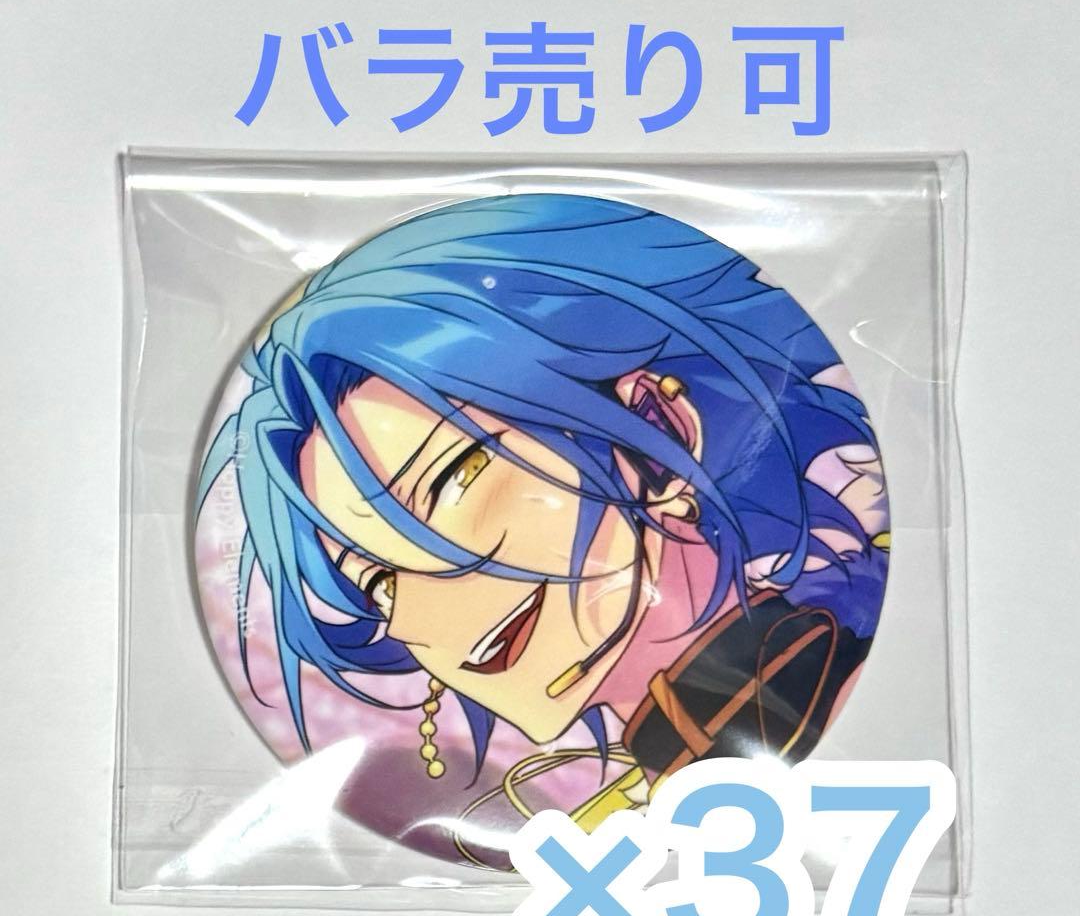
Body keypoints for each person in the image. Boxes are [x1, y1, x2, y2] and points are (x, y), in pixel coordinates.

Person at [197, 193, 889, 864]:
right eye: (377, 582)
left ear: (657, 431)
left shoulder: (850, 674)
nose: (419, 607)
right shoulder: (592, 836)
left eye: (448, 482)